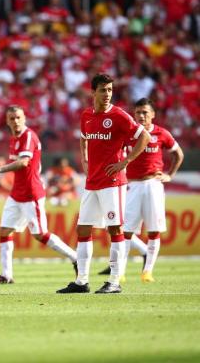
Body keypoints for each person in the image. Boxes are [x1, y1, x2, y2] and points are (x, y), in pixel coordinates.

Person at [56, 73, 150, 294]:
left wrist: (126, 161)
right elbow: (83, 138)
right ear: (93, 92)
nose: (107, 94)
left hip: (113, 181)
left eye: (110, 90)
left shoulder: (119, 115)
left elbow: (144, 136)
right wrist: (84, 158)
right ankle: (82, 281)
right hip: (92, 182)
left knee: (115, 228)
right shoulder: (86, 115)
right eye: (103, 90)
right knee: (83, 228)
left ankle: (115, 282)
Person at [0, 105, 78, 284]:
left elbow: (24, 162)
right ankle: (6, 275)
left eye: (18, 117)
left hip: (31, 194)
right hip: (16, 193)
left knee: (40, 234)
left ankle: (75, 257)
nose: (16, 121)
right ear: (7, 121)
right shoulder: (14, 138)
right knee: (4, 231)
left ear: (24, 118)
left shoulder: (28, 136)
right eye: (12, 118)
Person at [121, 98, 184, 282]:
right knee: (125, 231)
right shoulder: (129, 134)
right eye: (138, 112)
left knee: (154, 230)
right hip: (131, 185)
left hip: (152, 184)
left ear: (153, 115)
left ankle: (147, 271)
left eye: (145, 112)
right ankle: (121, 272)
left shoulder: (161, 133)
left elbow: (178, 154)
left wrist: (170, 175)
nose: (141, 115)